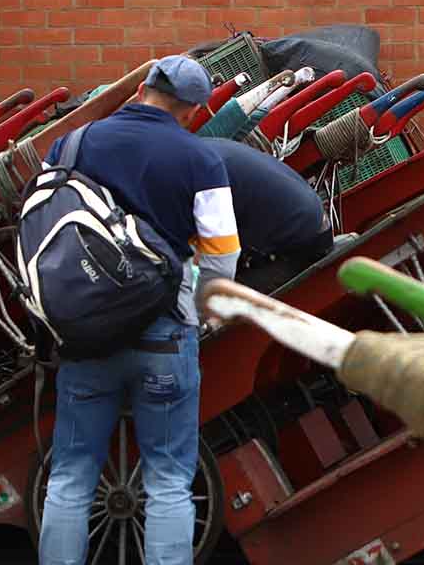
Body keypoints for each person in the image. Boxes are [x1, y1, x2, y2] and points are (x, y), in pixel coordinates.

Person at [38, 55, 241, 565]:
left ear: (141, 90)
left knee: (69, 477)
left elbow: (42, 223)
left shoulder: (74, 143)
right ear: (194, 111)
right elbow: (223, 256)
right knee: (169, 482)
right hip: (165, 335)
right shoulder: (201, 159)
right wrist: (206, 312)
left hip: (85, 334)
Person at [203, 138, 334, 292]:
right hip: (308, 222)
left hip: (302, 244)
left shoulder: (202, 176)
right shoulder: (206, 149)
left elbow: (214, 257)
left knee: (213, 300)